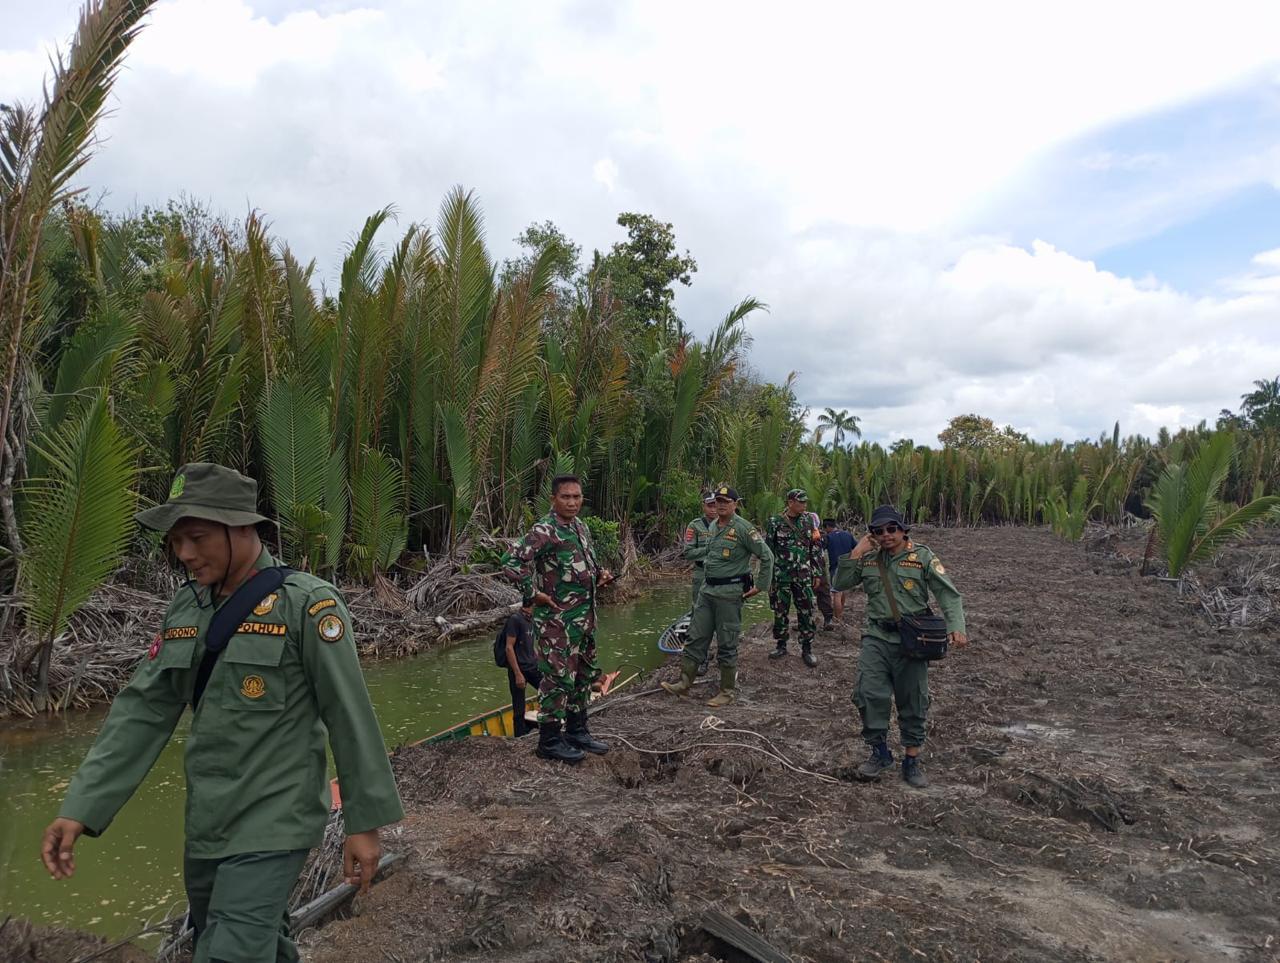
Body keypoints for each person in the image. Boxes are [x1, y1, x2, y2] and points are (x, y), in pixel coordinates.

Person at [41, 462, 404, 963]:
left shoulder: (306, 605)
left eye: (196, 537)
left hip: (276, 820)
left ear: (241, 527)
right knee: (257, 944)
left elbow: (349, 715)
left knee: (229, 953)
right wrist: (81, 806)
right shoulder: (187, 609)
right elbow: (142, 712)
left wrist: (365, 824)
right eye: (175, 541)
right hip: (208, 825)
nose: (184, 554)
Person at [833, 505, 968, 788]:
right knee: (868, 693)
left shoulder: (922, 557)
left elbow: (947, 593)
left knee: (913, 699)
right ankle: (880, 753)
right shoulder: (869, 559)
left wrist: (957, 626)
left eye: (891, 529)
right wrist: (856, 552)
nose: (885, 535)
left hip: (912, 640)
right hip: (876, 637)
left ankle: (911, 760)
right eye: (878, 531)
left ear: (903, 530)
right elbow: (841, 583)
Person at [501, 474, 614, 763]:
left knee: (581, 675)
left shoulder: (579, 527)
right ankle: (549, 740)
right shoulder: (544, 530)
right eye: (566, 497)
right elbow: (512, 562)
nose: (572, 502)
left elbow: (585, 563)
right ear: (554, 499)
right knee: (556, 679)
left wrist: (599, 574)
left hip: (583, 619)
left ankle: (577, 730)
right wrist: (532, 594)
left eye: (577, 497)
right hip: (557, 623)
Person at [662, 486, 773, 706]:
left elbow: (767, 556)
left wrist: (761, 586)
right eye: (718, 501)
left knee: (727, 642)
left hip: (729, 594)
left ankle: (727, 691)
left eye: (725, 501)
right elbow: (709, 557)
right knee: (695, 637)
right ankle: (684, 684)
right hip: (707, 591)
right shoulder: (712, 525)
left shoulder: (743, 528)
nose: (720, 505)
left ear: (735, 504)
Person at [764, 488, 824, 667]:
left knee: (806, 611)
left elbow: (816, 548)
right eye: (801, 502)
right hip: (781, 575)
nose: (804, 505)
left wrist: (817, 572)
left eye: (806, 502)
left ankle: (807, 648)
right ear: (790, 502)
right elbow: (768, 551)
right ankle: (781, 644)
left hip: (804, 575)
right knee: (780, 610)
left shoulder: (810, 521)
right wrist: (768, 577)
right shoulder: (775, 522)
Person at [683, 490, 720, 674]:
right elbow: (688, 552)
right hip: (701, 575)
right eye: (710, 505)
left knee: (722, 615)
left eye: (716, 504)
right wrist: (709, 550)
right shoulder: (695, 526)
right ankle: (701, 657)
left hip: (722, 576)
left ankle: (723, 655)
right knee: (699, 616)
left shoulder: (726, 524)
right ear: (704, 506)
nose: (713, 509)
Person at [498, 598, 540, 736]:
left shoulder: (530, 619)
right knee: (518, 706)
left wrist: (539, 658)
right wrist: (517, 673)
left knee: (550, 690)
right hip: (519, 668)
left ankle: (546, 723)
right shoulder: (515, 620)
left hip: (532, 666)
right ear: (533, 604)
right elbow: (509, 648)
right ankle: (520, 736)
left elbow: (529, 643)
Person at [823, 518, 854, 623]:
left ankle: (837, 619)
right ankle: (840, 613)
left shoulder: (828, 537)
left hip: (836, 567)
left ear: (827, 527)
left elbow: (820, 550)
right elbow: (856, 547)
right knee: (842, 590)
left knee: (836, 593)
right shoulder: (847, 535)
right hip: (848, 566)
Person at [811, 510, 835, 630]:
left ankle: (828, 619)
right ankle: (809, 620)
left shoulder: (820, 536)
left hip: (817, 565)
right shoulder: (820, 535)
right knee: (807, 593)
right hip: (809, 566)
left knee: (823, 592)